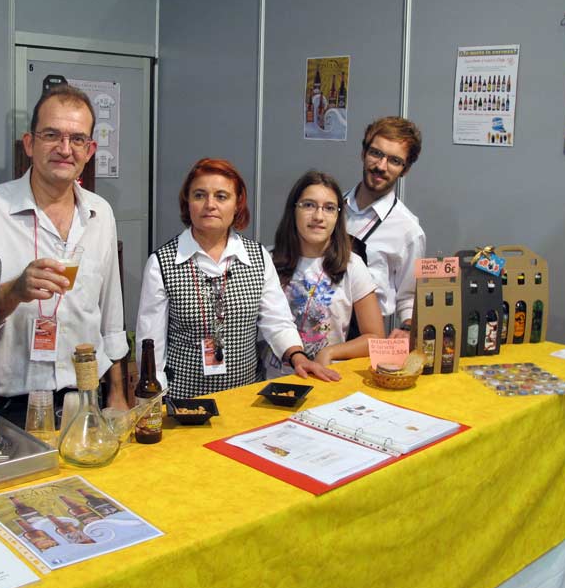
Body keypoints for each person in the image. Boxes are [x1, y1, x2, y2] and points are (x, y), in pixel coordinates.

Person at [0, 85, 128, 424]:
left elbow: (110, 314)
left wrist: (116, 392)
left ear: (90, 150)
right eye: (51, 135)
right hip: (8, 407)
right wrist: (12, 292)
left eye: (77, 140)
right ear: (29, 144)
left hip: (85, 398)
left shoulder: (100, 213)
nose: (64, 149)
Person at [136, 158, 340, 399]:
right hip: (184, 402)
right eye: (200, 195)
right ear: (187, 203)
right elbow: (151, 344)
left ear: (237, 206)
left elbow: (278, 322)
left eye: (221, 196)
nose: (210, 205)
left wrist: (297, 356)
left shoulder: (258, 256)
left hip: (244, 399)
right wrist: (154, 404)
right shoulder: (162, 262)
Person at [263, 171, 384, 378]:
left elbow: (376, 339)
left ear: (338, 216)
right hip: (273, 384)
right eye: (308, 205)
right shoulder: (267, 259)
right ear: (293, 210)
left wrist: (329, 352)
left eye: (329, 208)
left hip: (326, 380)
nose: (318, 216)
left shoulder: (352, 265)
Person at [344, 116, 426, 339]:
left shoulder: (408, 230)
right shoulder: (331, 208)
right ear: (363, 153)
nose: (381, 166)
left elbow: (409, 296)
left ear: (405, 170)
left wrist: (408, 328)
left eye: (394, 161)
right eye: (376, 153)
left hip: (363, 338)